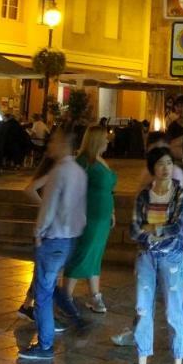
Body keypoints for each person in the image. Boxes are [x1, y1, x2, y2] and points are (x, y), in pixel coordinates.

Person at [121, 149, 183, 364]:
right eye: (160, 164)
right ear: (153, 168)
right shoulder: (143, 196)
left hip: (171, 258)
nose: (166, 168)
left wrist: (152, 229)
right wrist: (156, 231)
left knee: (173, 311)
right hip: (146, 257)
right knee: (142, 309)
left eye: (169, 163)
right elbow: (134, 230)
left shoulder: (179, 193)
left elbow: (177, 226)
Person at [18, 128, 88, 360]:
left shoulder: (59, 172)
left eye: (54, 141)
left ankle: (45, 344)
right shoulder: (79, 172)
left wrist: (39, 231)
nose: (50, 145)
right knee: (48, 285)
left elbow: (48, 207)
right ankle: (74, 317)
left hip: (53, 238)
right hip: (70, 238)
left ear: (63, 144)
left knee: (43, 293)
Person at [60, 126, 118, 315]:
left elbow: (109, 189)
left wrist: (112, 211)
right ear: (96, 140)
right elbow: (74, 190)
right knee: (83, 253)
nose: (108, 141)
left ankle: (95, 295)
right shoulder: (83, 162)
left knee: (95, 254)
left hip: (102, 216)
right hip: (89, 216)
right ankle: (65, 297)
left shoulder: (100, 160)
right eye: (105, 138)